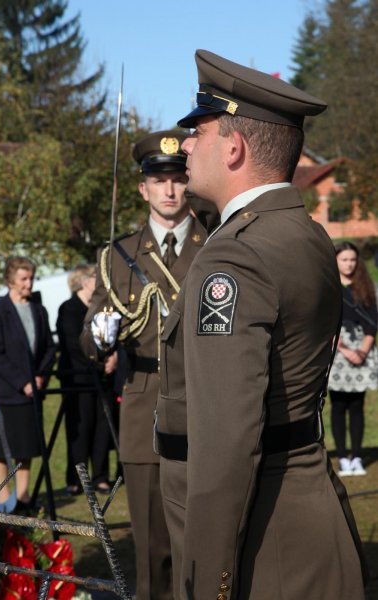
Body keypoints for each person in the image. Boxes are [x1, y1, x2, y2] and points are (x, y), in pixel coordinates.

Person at [154, 50, 367, 599]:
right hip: (304, 510)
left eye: (197, 130)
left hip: (258, 542)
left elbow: (225, 445)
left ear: (234, 146)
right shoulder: (306, 234)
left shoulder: (232, 260)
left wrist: (208, 581)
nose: (185, 146)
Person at [80, 129, 207, 600]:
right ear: (143, 188)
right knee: (151, 546)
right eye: (160, 179)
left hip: (204, 401)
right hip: (145, 401)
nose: (170, 190)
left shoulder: (217, 247)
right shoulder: (118, 257)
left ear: (188, 183)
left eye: (177, 178)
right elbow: (91, 332)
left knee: (203, 537)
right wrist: (101, 336)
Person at [0, 256, 56, 512]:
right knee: (3, 448)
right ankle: (4, 499)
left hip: (33, 392)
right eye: (24, 279)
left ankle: (23, 496)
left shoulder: (38, 310)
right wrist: (22, 382)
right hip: (6, 393)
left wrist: (39, 377)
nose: (29, 283)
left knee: (27, 446)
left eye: (31, 278)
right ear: (11, 280)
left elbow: (49, 348)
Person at [56, 264, 116, 495]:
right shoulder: (68, 309)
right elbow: (73, 346)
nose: (100, 282)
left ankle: (101, 476)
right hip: (78, 379)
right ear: (84, 282)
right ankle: (76, 478)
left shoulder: (101, 308)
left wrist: (113, 358)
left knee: (102, 426)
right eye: (95, 278)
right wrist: (99, 365)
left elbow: (111, 337)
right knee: (80, 427)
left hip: (103, 378)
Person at [328, 241, 378, 476]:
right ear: (335, 260)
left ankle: (357, 457)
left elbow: (372, 323)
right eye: (344, 259)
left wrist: (363, 350)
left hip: (362, 350)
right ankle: (342, 458)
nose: (349, 264)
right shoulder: (328, 287)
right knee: (338, 406)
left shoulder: (366, 287)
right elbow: (324, 324)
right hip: (338, 350)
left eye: (352, 259)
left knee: (357, 406)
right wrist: (345, 349)